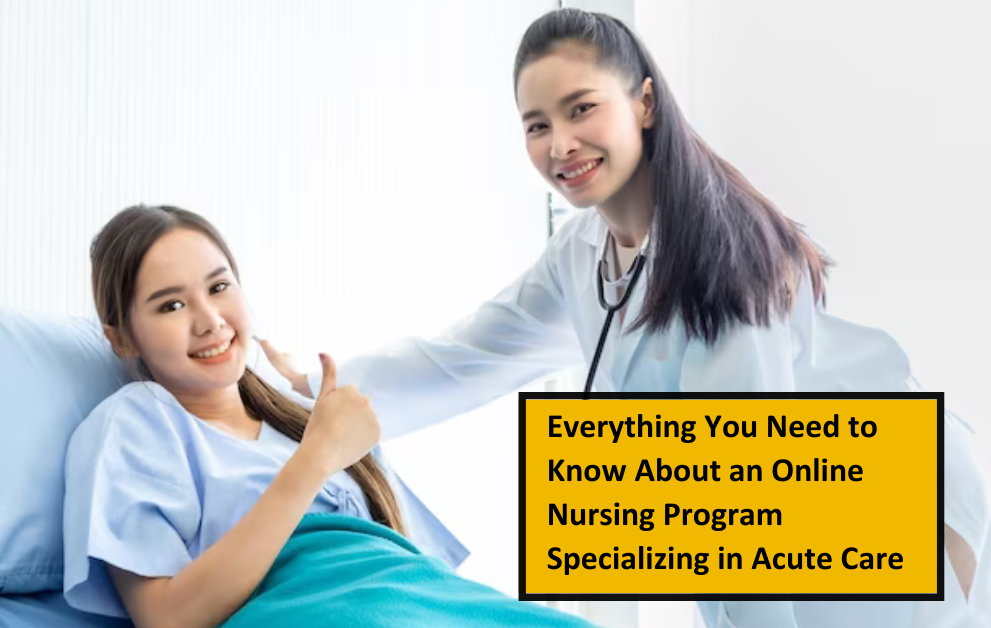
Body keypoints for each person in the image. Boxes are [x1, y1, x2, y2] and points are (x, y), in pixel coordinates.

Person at [259, 8, 989, 627]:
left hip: (893, 508)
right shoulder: (584, 249)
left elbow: (745, 494)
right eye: (536, 125)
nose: (560, 145)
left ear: (643, 102)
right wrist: (316, 391)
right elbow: (465, 357)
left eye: (582, 109)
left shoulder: (722, 264)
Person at [61, 204, 598, 628]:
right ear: (121, 336)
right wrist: (314, 459)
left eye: (219, 287)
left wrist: (315, 430)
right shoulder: (139, 423)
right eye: (171, 305)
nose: (209, 320)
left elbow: (412, 571)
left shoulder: (300, 417)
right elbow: (167, 617)